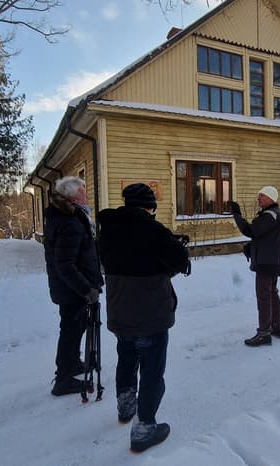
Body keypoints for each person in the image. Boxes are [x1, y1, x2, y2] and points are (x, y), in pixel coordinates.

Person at [98, 183, 190, 453]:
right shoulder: (154, 231)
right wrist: (174, 247)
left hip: (119, 312)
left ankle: (126, 405)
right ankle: (144, 427)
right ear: (149, 206)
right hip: (151, 315)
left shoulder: (108, 230)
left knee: (126, 359)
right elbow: (178, 262)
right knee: (152, 371)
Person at [43, 176, 104, 396]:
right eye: (84, 193)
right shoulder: (69, 222)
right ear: (73, 196)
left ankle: (72, 364)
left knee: (75, 328)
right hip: (73, 290)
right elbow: (65, 264)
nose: (87, 196)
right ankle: (64, 378)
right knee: (70, 330)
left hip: (70, 288)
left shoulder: (68, 217)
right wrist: (86, 289)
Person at [228, 185, 280, 347]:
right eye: (258, 195)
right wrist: (252, 246)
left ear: (271, 199)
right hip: (272, 261)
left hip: (266, 262)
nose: (258, 198)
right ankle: (276, 326)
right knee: (272, 293)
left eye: (262, 196)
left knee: (264, 296)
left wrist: (237, 214)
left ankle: (264, 333)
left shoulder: (270, 216)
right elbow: (263, 236)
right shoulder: (274, 215)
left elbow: (250, 230)